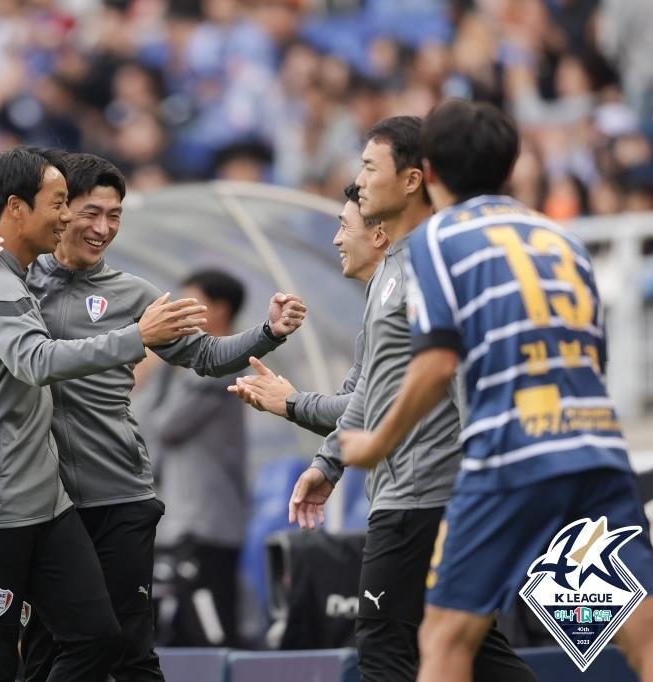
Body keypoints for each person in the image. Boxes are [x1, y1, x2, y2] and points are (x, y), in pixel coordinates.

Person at [0, 151, 306, 681]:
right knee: (42, 653)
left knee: (126, 648)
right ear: (56, 210)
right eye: (86, 209)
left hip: (115, 495)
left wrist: (267, 333)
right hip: (36, 500)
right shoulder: (13, 279)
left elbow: (204, 356)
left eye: (114, 215)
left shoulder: (132, 294)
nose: (101, 226)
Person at [339, 98, 653, 682]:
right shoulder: (559, 237)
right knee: (635, 632)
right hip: (593, 449)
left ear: (428, 174)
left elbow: (435, 366)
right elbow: (594, 350)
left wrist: (376, 443)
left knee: (443, 639)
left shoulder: (437, 241)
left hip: (510, 457)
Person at [287, 116, 535, 682]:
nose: (359, 179)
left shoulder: (431, 263)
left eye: (369, 167)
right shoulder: (394, 273)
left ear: (412, 180)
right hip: (412, 493)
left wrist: (481, 481)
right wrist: (328, 463)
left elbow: (456, 375)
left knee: (383, 643)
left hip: (423, 496)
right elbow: (376, 388)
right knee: (467, 645)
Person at [142, 268, 258, 647]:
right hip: (183, 523)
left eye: (194, 303)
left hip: (207, 523)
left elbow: (162, 425)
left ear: (221, 310)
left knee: (209, 634)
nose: (182, 313)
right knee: (177, 633)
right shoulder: (193, 368)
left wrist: (157, 359)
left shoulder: (221, 365)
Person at [228, 183, 386, 429]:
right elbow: (346, 420)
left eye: (345, 226)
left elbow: (374, 405)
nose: (336, 240)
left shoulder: (402, 299)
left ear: (378, 235)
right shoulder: (376, 305)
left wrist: (291, 402)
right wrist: (322, 466)